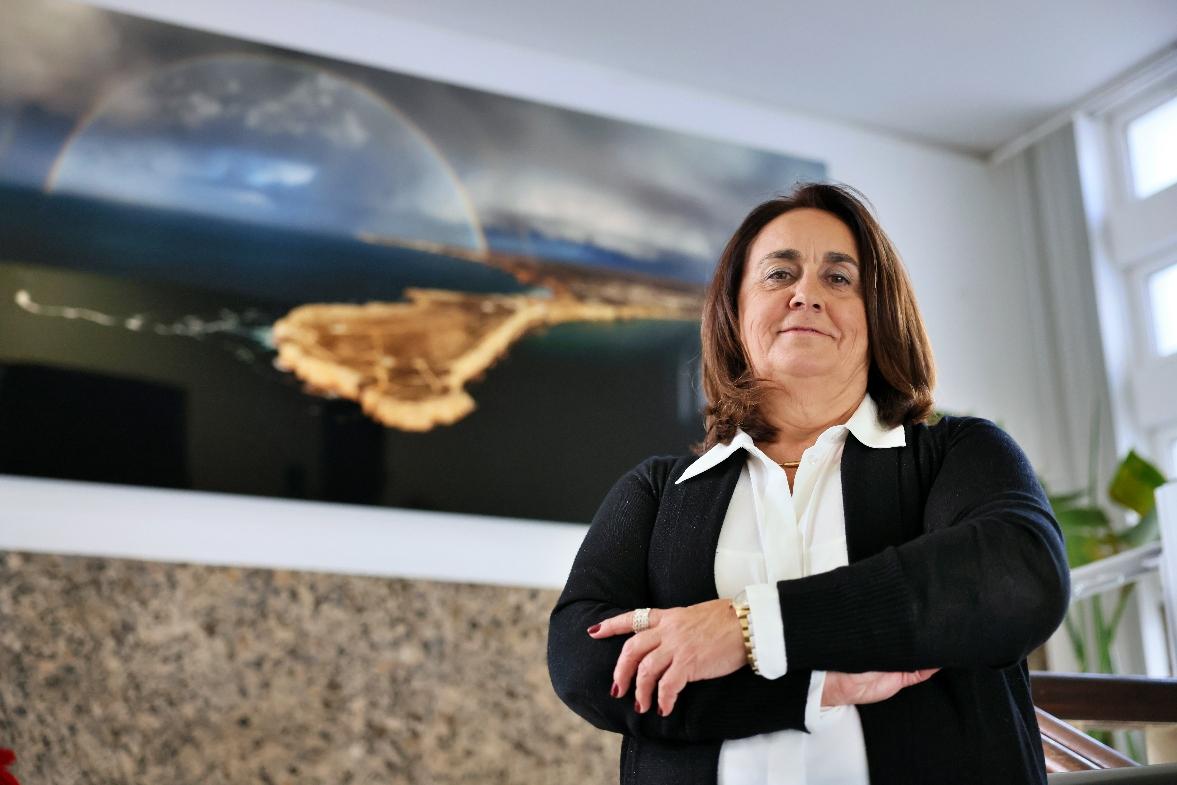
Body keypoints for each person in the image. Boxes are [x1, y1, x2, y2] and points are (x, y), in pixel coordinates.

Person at [547, 182, 1070, 785]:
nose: (807, 295)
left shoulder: (959, 453)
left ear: (879, 314)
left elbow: (1018, 578)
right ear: (735, 314)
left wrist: (747, 628)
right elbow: (582, 660)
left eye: (839, 278)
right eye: (779, 274)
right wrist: (812, 688)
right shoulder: (658, 492)